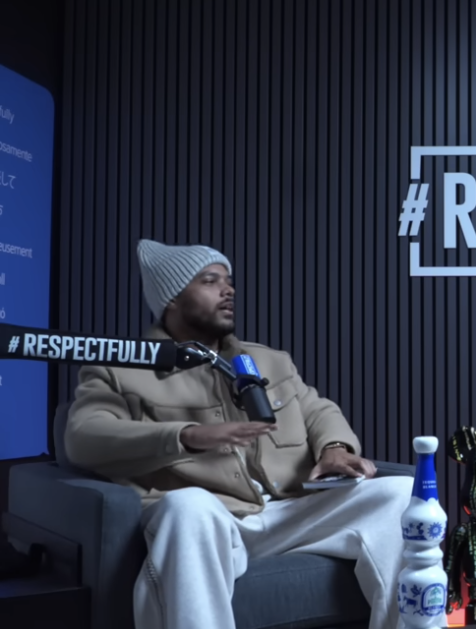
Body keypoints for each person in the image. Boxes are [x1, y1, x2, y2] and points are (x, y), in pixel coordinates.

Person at [64, 239, 413, 629]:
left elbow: (317, 409)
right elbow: (84, 435)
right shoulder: (121, 368)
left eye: (228, 281)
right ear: (172, 298)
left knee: (396, 494)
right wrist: (187, 435)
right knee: (188, 507)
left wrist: (333, 448)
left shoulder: (268, 360)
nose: (228, 290)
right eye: (210, 281)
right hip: (211, 518)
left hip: (286, 511)